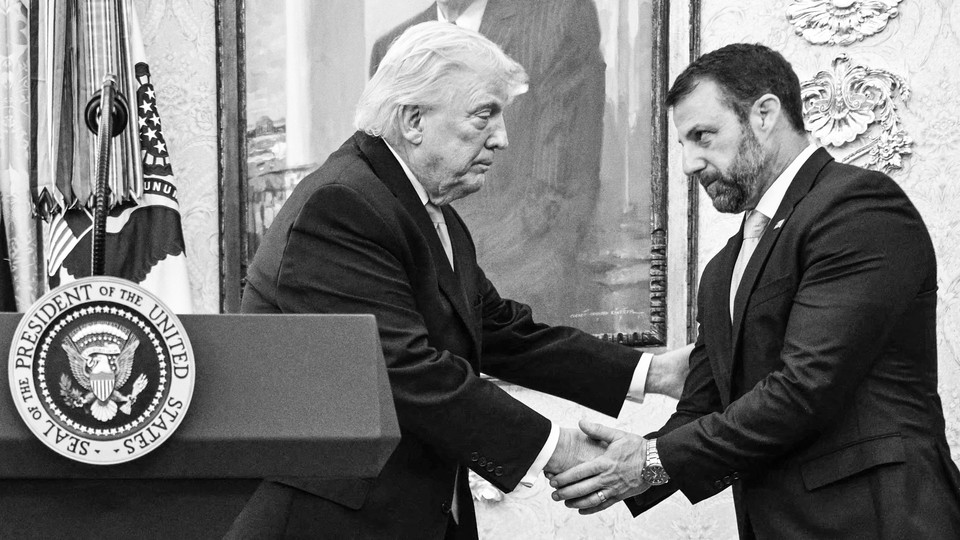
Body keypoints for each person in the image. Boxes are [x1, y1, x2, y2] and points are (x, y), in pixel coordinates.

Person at [229, 22, 688, 540]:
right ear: (414, 119)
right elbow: (406, 371)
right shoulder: (341, 205)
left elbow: (498, 330)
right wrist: (558, 446)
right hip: (333, 521)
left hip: (413, 513)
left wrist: (656, 373)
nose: (503, 138)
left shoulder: (420, 208)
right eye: (483, 115)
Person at [549, 43, 960, 539]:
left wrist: (651, 460)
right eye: (682, 144)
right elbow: (703, 407)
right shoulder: (723, 268)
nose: (689, 164)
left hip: (879, 520)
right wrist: (620, 463)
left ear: (765, 114)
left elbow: (805, 387)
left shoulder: (857, 208)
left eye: (703, 136)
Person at [371, 0, 606, 326]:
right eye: (484, 114)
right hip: (427, 304)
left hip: (525, 290)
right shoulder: (391, 49)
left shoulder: (557, 18)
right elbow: (397, 200)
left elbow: (559, 193)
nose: (500, 138)